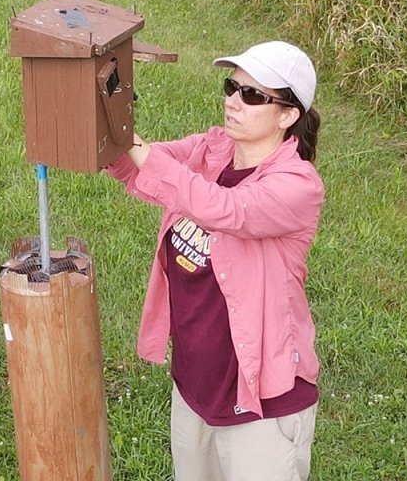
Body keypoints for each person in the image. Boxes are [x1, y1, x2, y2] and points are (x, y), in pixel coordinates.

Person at [106, 40, 324, 481]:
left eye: (252, 95)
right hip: (196, 382)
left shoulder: (298, 186)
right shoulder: (214, 148)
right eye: (231, 87)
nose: (232, 101)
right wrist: (105, 113)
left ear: (288, 116)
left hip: (260, 396)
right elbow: (135, 167)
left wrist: (129, 135)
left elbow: (226, 210)